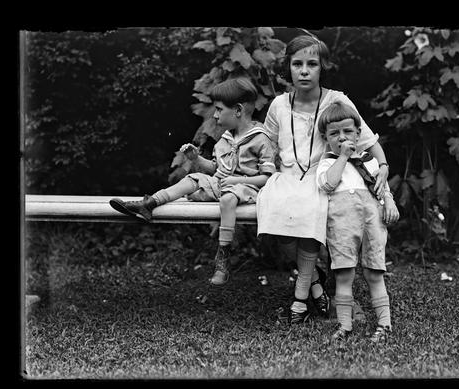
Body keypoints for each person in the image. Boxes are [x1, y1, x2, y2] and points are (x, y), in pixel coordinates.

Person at [256, 34, 390, 324]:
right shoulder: (279, 105)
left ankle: (307, 295)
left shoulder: (336, 100)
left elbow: (365, 139)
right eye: (297, 64)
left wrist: (384, 165)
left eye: (312, 64)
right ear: (288, 68)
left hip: (324, 177)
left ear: (322, 67)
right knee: (271, 206)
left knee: (315, 205)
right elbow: (266, 145)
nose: (304, 71)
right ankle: (315, 281)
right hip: (288, 177)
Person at [110, 77, 276, 286]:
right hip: (222, 185)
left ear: (238, 110)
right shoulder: (225, 139)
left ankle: (222, 259)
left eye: (218, 110)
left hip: (247, 189)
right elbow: (215, 169)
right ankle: (149, 203)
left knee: (228, 200)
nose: (215, 116)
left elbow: (268, 178)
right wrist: (196, 159)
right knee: (192, 178)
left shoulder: (261, 139)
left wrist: (236, 179)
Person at [316, 101, 399, 342]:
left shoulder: (370, 161)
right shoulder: (328, 163)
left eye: (347, 131)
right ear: (326, 137)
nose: (342, 138)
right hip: (342, 225)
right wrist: (342, 157)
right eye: (334, 133)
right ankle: (345, 325)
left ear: (358, 134)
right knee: (344, 275)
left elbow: (382, 188)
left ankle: (384, 325)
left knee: (375, 272)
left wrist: (390, 202)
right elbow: (328, 184)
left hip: (372, 222)